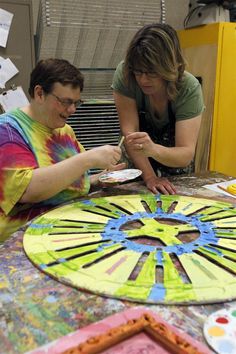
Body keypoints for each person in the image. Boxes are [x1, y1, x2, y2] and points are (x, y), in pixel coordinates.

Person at [0, 58, 123, 243]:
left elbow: (65, 183)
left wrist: (101, 179)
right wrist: (88, 159)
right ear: (40, 93)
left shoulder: (64, 130)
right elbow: (28, 190)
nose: (72, 110)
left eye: (76, 102)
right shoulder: (8, 131)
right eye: (65, 102)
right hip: (24, 241)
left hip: (65, 227)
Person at [112, 23, 204, 195]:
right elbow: (130, 134)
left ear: (169, 67)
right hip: (138, 161)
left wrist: (153, 149)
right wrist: (149, 177)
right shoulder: (125, 74)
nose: (143, 80)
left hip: (174, 163)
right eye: (138, 72)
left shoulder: (189, 88)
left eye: (151, 72)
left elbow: (185, 154)